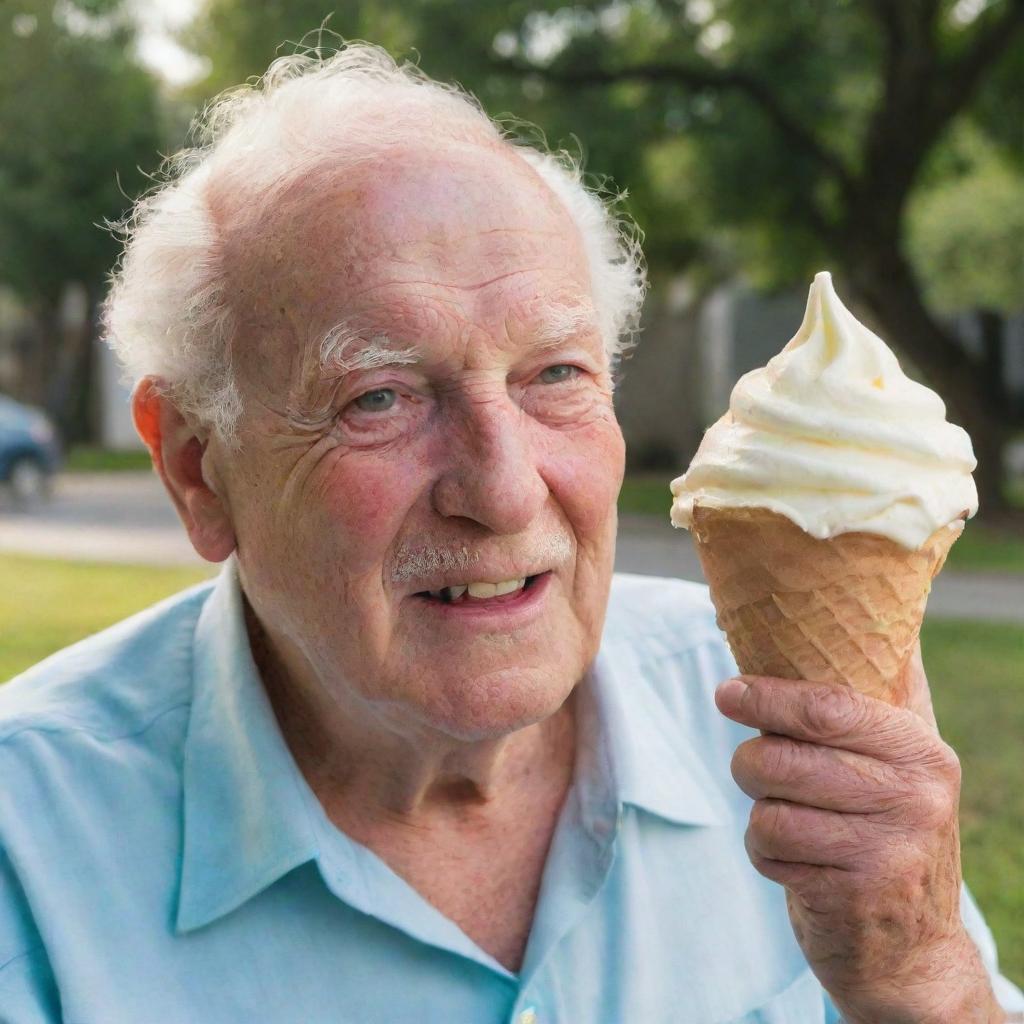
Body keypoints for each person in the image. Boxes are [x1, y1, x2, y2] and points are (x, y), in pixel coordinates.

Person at [1, 42, 1021, 1024]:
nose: (502, 487)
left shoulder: (776, 713)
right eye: (379, 397)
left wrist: (927, 981)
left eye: (555, 375)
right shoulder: (30, 849)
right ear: (195, 464)